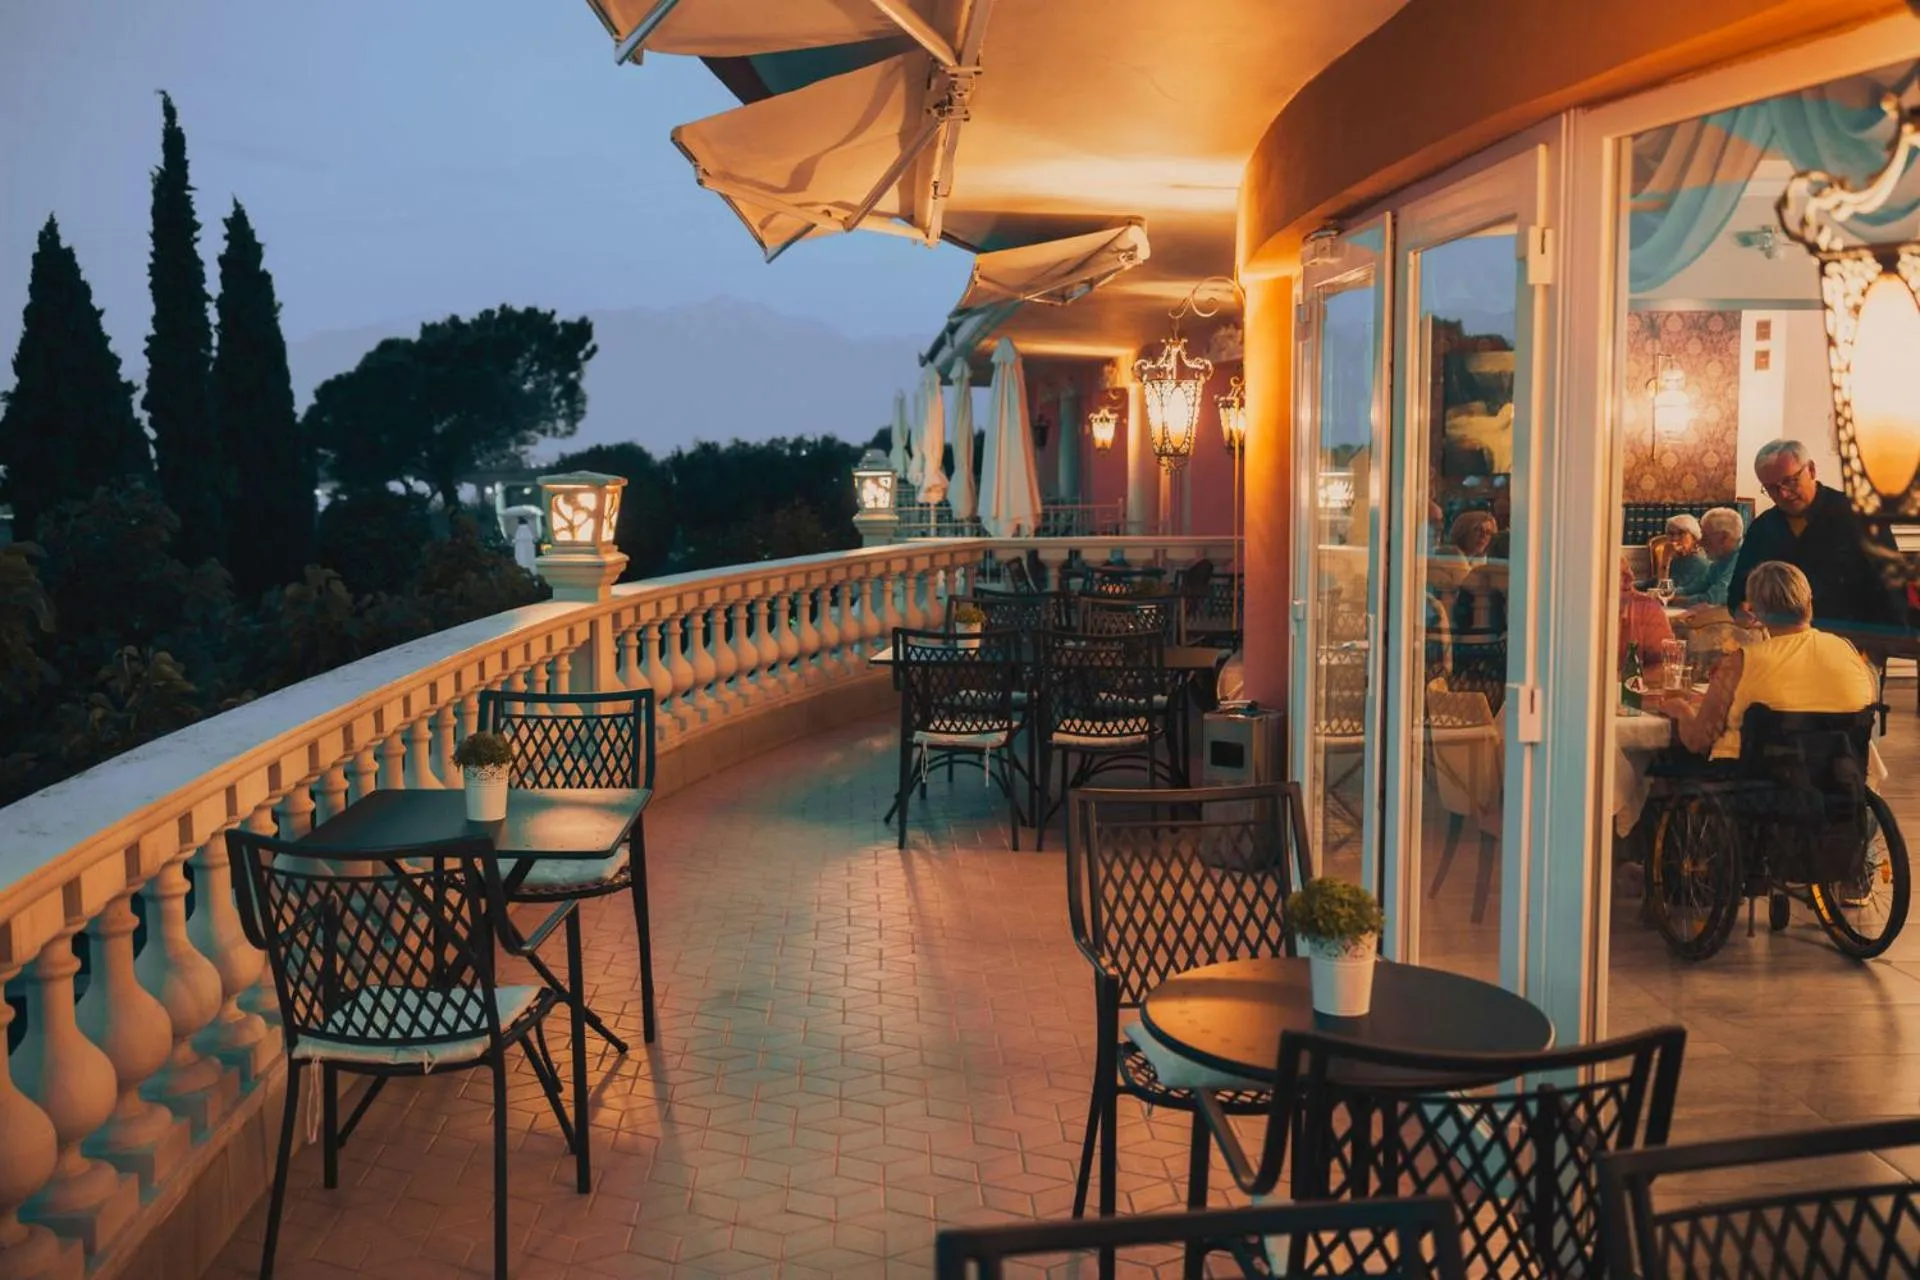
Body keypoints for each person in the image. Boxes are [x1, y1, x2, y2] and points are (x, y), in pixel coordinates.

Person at [1668, 560, 1875, 760]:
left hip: (1747, 789)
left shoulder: (1741, 663)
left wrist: (1681, 710)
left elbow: (1699, 740)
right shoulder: (1848, 652)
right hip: (1837, 786)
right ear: (1809, 602)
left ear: (1754, 610)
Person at [1727, 440, 1903, 641]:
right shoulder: (1763, 528)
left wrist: (1878, 648)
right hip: (1785, 648)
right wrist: (1740, 610)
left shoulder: (1858, 516)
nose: (1783, 493)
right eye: (1772, 488)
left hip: (1851, 647)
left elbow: (1891, 588)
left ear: (1811, 469)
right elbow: (1738, 590)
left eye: (1790, 481)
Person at [1676, 507, 1743, 612]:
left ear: (1724, 537)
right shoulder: (1721, 560)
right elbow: (1695, 587)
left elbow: (1715, 599)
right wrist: (1669, 593)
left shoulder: (1743, 558)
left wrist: (1679, 601)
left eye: (1705, 536)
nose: (1700, 542)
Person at [1619, 555, 1675, 679]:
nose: (1630, 578)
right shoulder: (1570, 616)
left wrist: (1616, 681)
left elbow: (1666, 667)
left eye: (1629, 571)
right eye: (1620, 573)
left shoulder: (1646, 608)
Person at [1659, 514, 1710, 596]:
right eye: (1671, 534)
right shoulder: (1675, 560)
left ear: (1694, 538)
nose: (1675, 538)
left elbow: (1664, 592)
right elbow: (1653, 583)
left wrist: (1666, 558)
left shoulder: (1701, 564)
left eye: (1681, 533)